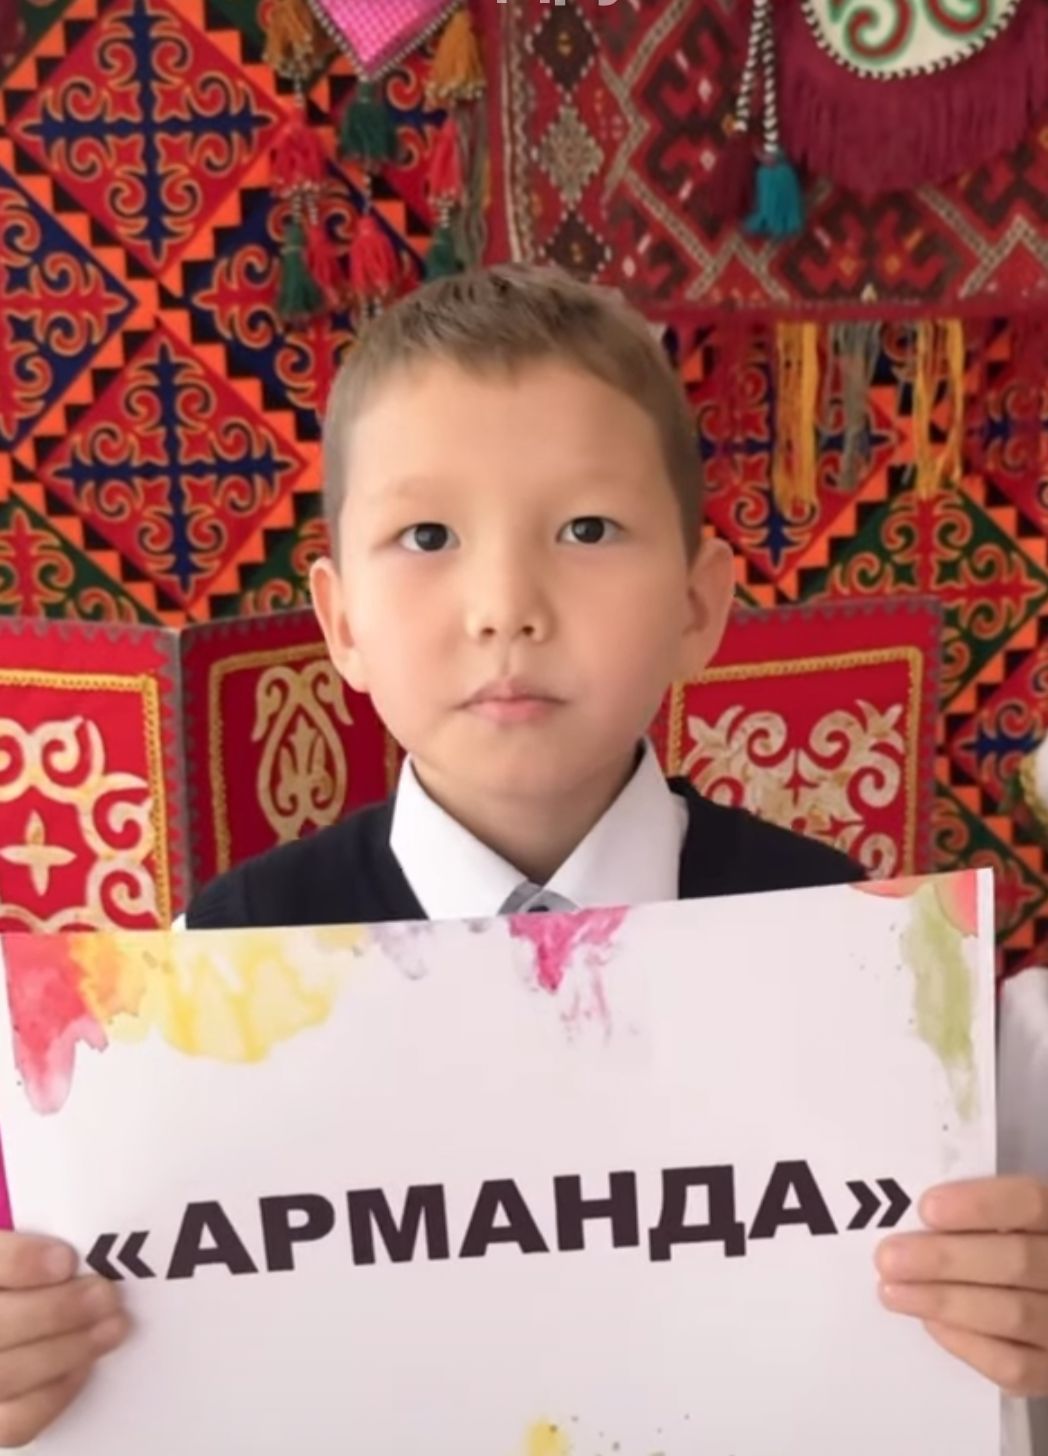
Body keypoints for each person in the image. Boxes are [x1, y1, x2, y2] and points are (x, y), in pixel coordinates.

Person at [0, 265, 1044, 1447]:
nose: (505, 604)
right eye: (426, 535)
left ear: (698, 604)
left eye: (586, 529)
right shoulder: (204, 982)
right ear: (340, 622)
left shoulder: (875, 981)